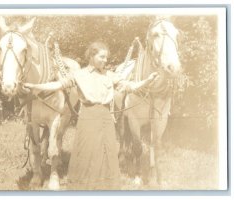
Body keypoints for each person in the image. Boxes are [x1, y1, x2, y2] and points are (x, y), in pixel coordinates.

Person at [24, 41, 158, 190]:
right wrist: (35, 86)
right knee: (86, 153)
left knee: (106, 153)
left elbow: (130, 86)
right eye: (102, 57)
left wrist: (147, 81)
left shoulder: (110, 75)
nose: (105, 61)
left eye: (106, 58)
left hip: (106, 118)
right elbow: (57, 85)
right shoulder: (79, 75)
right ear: (92, 56)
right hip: (87, 118)